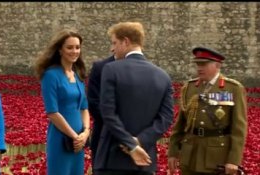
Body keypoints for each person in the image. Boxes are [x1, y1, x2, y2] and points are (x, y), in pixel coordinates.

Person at [94, 21, 174, 175]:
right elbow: (166, 118)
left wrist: (131, 145)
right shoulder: (163, 76)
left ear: (126, 41)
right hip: (145, 162)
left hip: (112, 160)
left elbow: (108, 113)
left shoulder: (111, 69)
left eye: (114, 43)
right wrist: (140, 141)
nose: (112, 49)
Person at [167, 46, 248, 175]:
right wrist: (173, 152)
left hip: (216, 157)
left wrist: (234, 160)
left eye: (204, 64)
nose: (199, 68)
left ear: (217, 65)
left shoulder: (233, 88)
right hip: (190, 156)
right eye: (198, 64)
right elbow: (180, 125)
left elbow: (239, 128)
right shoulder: (189, 88)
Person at [34, 28, 90, 175]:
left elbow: (84, 108)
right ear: (60, 50)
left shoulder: (78, 75)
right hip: (61, 139)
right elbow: (52, 112)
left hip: (78, 142)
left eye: (77, 47)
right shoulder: (51, 75)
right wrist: (74, 136)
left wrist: (85, 132)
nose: (74, 51)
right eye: (69, 47)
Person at [87, 54, 116, 168]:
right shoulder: (100, 67)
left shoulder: (141, 69)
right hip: (102, 135)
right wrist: (118, 126)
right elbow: (93, 103)